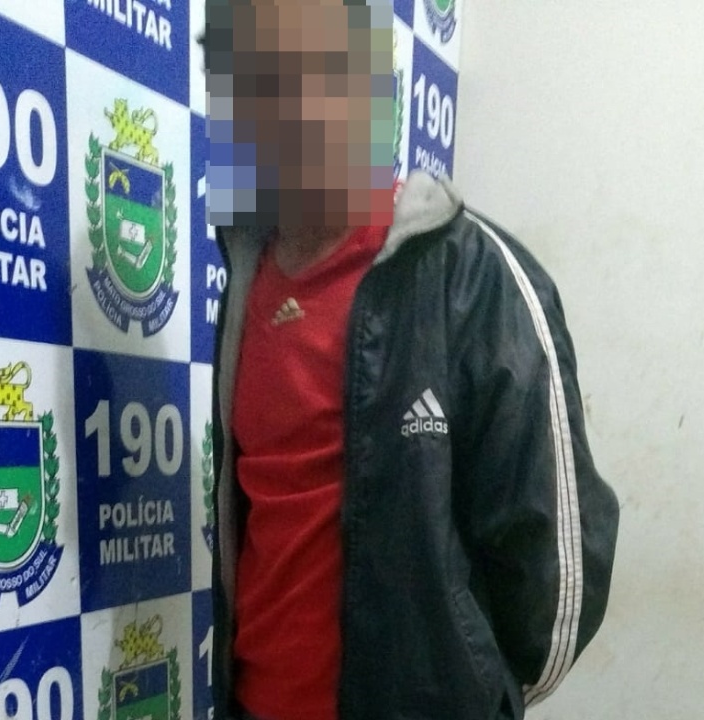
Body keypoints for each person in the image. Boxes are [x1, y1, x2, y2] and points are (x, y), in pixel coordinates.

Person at [200, 2, 620, 719]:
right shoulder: (246, 282)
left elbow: (556, 592)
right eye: (259, 79)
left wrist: (466, 698)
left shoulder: (473, 275)